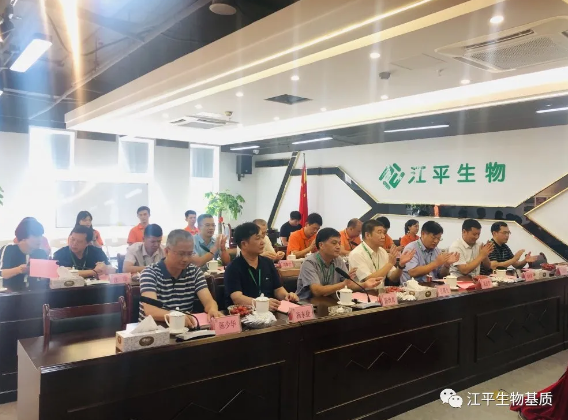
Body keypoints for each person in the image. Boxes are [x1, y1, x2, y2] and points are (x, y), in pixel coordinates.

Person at [139, 229, 222, 326]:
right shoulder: (150, 273)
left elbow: (208, 301)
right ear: (167, 251)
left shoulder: (194, 272)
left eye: (189, 254)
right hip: (153, 330)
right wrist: (176, 316)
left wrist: (212, 309)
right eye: (181, 254)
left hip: (184, 329)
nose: (186, 259)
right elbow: (150, 310)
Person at [225, 223, 299, 309]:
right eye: (257, 238)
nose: (262, 242)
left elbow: (278, 289)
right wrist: (261, 304)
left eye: (262, 237)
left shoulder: (267, 262)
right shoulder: (233, 268)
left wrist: (287, 296)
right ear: (244, 244)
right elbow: (237, 298)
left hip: (270, 312)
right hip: (245, 312)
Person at [296, 228, 382, 300]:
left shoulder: (338, 260)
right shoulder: (309, 262)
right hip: (308, 304)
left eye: (339, 243)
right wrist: (343, 284)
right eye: (334, 243)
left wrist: (365, 284)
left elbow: (348, 284)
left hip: (330, 301)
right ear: (321, 245)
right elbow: (317, 291)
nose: (338, 247)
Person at [349, 220, 415, 286]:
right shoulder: (356, 254)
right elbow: (369, 280)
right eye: (379, 232)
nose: (383, 236)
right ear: (367, 235)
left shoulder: (382, 251)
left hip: (381, 291)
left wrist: (401, 265)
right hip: (363, 292)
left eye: (384, 233)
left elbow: (394, 278)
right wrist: (389, 264)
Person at [1, 218, 49, 291]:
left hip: (35, 293)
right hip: (11, 293)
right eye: (36, 236)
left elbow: (44, 279)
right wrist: (18, 270)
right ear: (23, 237)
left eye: (41, 235)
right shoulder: (9, 249)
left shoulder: (41, 253)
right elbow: (2, 274)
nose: (40, 239)